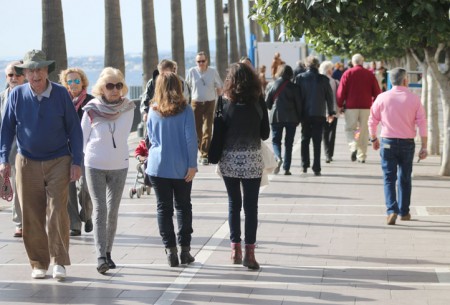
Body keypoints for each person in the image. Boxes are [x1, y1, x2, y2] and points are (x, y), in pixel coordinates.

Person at [0, 49, 83, 280]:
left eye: (39, 69)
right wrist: (3, 159)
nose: (35, 74)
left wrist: (77, 160)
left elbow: (74, 129)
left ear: (47, 71)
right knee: (31, 214)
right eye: (30, 70)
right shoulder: (16, 95)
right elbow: (6, 128)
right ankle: (38, 262)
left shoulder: (60, 94)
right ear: (24, 73)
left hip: (59, 159)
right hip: (26, 161)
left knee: (57, 210)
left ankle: (59, 261)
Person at [81, 67, 135, 274]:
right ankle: (100, 256)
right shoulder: (91, 108)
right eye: (110, 86)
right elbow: (82, 137)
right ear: (101, 88)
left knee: (113, 210)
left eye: (118, 85)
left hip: (119, 165)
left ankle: (109, 252)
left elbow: (121, 134)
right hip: (94, 165)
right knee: (100, 209)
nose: (114, 89)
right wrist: (88, 157)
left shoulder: (129, 107)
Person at [218, 63, 270, 270]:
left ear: (230, 80)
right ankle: (250, 253)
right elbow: (265, 133)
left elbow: (218, 133)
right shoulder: (259, 101)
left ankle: (234, 250)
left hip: (229, 159)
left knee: (233, 204)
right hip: (252, 160)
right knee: (251, 207)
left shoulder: (224, 102)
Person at [146, 72, 198, 267]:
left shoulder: (153, 110)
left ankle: (170, 250)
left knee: (163, 208)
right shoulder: (185, 110)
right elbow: (191, 139)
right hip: (181, 166)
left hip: (158, 166)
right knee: (183, 206)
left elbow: (150, 138)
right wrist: (192, 165)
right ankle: (185, 250)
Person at [368, 67, 427, 225]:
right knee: (405, 178)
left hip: (387, 142)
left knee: (389, 178)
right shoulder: (414, 99)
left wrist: (373, 139)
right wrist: (424, 146)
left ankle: (391, 210)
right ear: (405, 80)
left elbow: (372, 120)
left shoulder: (382, 97)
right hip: (407, 143)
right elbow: (422, 122)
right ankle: (404, 212)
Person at [59, 68, 94, 237]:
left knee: (86, 187)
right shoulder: (61, 100)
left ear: (83, 81)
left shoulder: (91, 102)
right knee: (69, 187)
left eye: (76, 80)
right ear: (66, 84)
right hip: (65, 149)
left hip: (86, 150)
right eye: (70, 81)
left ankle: (87, 215)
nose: (73, 84)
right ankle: (74, 224)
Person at [337, 53, 381, 163]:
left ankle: (353, 145)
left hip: (351, 107)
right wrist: (376, 105)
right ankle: (361, 156)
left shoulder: (347, 73)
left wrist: (339, 104)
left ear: (353, 62)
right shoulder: (369, 74)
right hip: (366, 106)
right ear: (362, 61)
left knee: (350, 129)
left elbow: (341, 91)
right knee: (363, 131)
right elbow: (377, 92)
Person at [295, 56, 335, 176]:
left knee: (304, 139)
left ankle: (304, 165)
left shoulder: (300, 78)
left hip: (305, 114)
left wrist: (297, 112)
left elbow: (296, 97)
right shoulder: (323, 79)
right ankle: (317, 167)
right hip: (319, 113)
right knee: (317, 140)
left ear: (306, 65)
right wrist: (331, 112)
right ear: (318, 66)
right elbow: (329, 97)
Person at [0, 61, 25, 238]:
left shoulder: (30, 95)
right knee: (15, 187)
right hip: (7, 149)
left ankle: (25, 222)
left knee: (25, 187)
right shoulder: (2, 97)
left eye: (18, 74)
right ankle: (20, 222)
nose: (14, 78)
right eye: (11, 75)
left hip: (29, 149)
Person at [185, 51, 223, 165]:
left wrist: (220, 97)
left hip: (209, 103)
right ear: (196, 62)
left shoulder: (212, 71)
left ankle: (205, 154)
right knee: (197, 130)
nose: (201, 63)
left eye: (203, 61)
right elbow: (187, 87)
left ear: (206, 61)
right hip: (195, 103)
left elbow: (219, 86)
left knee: (207, 129)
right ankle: (202, 151)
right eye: (198, 61)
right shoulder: (192, 71)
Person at [265, 65, 302, 175]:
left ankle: (277, 157)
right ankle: (286, 168)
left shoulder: (273, 84)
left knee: (276, 141)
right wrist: (299, 117)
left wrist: (272, 107)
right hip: (291, 117)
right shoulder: (295, 87)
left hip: (276, 116)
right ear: (291, 74)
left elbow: (267, 102)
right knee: (289, 143)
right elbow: (299, 104)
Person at [141, 59, 191, 124]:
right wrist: (145, 113)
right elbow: (146, 99)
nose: (164, 77)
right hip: (157, 117)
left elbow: (186, 100)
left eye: (166, 74)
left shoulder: (181, 82)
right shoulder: (152, 83)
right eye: (161, 74)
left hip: (176, 118)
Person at [319, 61, 340, 163]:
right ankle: (330, 154)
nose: (332, 71)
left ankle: (327, 154)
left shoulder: (319, 81)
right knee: (332, 133)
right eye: (331, 69)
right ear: (328, 70)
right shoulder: (335, 82)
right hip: (334, 111)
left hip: (322, 111)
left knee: (325, 133)